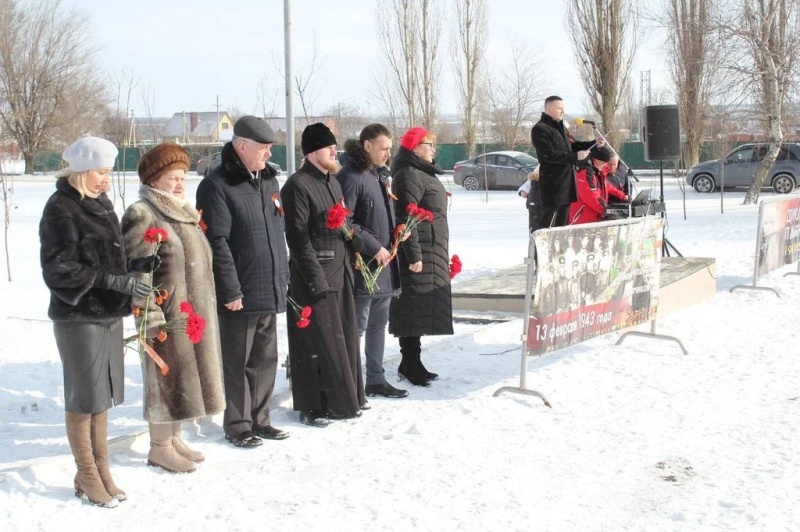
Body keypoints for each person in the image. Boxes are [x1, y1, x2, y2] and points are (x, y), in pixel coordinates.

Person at [40, 136, 155, 507]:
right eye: (100, 172)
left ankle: (100, 468)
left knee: (101, 398)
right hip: (79, 316)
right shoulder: (60, 208)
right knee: (83, 397)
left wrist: (135, 268)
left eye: (108, 172)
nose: (106, 179)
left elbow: (107, 257)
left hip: (108, 313)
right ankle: (87, 473)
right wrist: (109, 281)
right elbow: (58, 269)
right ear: (81, 171)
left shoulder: (101, 203)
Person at [121, 143, 225, 473]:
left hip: (191, 313)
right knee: (165, 381)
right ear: (154, 179)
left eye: (182, 177)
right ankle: (159, 447)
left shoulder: (183, 212)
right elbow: (137, 270)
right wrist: (149, 316)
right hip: (164, 316)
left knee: (186, 379)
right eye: (172, 178)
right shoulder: (143, 213)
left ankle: (175, 437)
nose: (181, 184)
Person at [195, 116, 290, 448]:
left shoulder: (269, 182)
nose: (267, 155)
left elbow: (277, 233)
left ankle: (261, 419)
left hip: (269, 285)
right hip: (240, 291)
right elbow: (216, 242)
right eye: (263, 149)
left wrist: (283, 277)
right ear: (241, 146)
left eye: (269, 149)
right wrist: (230, 289)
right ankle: (238, 424)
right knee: (237, 362)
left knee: (265, 359)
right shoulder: (218, 185)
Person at [281, 122, 367, 427]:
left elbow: (339, 220)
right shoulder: (297, 185)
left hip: (340, 271)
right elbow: (298, 238)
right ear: (314, 151)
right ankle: (313, 405)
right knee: (315, 343)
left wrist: (353, 241)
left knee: (342, 339)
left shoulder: (332, 181)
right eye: (330, 147)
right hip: (313, 276)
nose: (335, 151)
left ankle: (346, 398)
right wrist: (315, 278)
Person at [336, 125, 408, 400]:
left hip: (384, 265)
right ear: (367, 146)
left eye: (390, 148)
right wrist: (373, 246)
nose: (389, 154)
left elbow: (378, 214)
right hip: (363, 267)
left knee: (379, 325)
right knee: (358, 327)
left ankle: (376, 380)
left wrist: (398, 230)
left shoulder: (379, 176)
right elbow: (344, 220)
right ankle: (351, 382)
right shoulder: (352, 177)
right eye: (384, 148)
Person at [388, 127, 453, 387]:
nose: (433, 149)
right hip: (419, 251)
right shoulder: (409, 175)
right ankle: (410, 363)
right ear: (415, 148)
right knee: (412, 307)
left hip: (432, 247)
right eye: (429, 144)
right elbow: (405, 216)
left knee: (419, 308)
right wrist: (413, 253)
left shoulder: (422, 173)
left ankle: (413, 362)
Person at [531, 96, 603, 228]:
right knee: (548, 224)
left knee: (563, 226)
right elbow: (549, 155)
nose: (562, 111)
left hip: (567, 184)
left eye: (563, 108)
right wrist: (576, 157)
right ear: (549, 109)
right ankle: (540, 249)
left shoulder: (562, 128)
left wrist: (593, 143)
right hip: (553, 185)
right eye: (559, 108)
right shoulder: (540, 129)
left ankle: (559, 249)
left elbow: (572, 146)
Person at [568, 146, 615, 225]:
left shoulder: (595, 171)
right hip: (583, 219)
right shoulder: (585, 171)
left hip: (593, 217)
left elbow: (607, 186)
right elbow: (590, 195)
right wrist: (604, 210)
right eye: (603, 163)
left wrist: (622, 196)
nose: (605, 165)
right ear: (596, 160)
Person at [517, 164, 542, 233]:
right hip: (536, 203)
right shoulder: (539, 167)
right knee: (536, 229)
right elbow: (527, 185)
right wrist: (522, 192)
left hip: (538, 203)